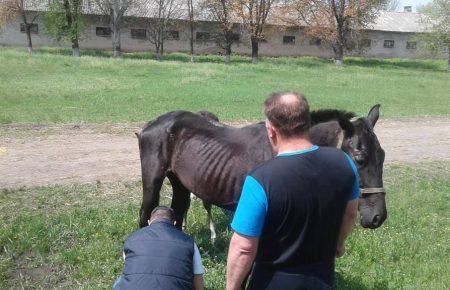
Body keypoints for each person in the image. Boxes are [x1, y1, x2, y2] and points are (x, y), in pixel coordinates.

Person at [226, 92, 359, 290]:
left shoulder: (260, 180)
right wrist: (339, 243)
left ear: (271, 131)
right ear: (307, 122)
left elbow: (243, 248)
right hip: (322, 278)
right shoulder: (345, 163)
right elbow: (350, 213)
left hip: (273, 281)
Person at [113, 206, 204, 290]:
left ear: (149, 222)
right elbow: (198, 279)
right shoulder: (188, 242)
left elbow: (129, 268)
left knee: (119, 282)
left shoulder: (131, 239)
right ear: (174, 223)